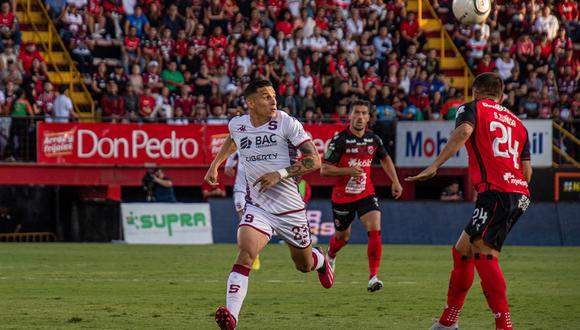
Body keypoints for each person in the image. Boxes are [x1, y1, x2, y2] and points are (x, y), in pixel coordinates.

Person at [406, 73, 532, 330]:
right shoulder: (519, 124)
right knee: (462, 251)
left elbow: (464, 131)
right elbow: (527, 171)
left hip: (496, 191)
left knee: (484, 255)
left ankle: (504, 326)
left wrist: (435, 165)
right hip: (518, 192)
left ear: (475, 92)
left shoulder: (471, 108)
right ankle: (447, 323)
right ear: (501, 96)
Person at [204, 80, 333, 330]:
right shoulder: (238, 124)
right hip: (258, 206)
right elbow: (233, 139)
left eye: (273, 95)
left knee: (303, 265)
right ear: (250, 103)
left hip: (290, 209)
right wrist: (215, 165)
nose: (273, 100)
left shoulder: (287, 122)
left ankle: (320, 260)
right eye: (265, 96)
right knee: (245, 253)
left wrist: (280, 174)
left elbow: (314, 160)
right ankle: (231, 316)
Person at [320, 100, 403, 292]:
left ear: (368, 117)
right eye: (356, 112)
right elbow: (324, 170)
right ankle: (331, 255)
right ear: (350, 116)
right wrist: (348, 170)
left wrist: (395, 181)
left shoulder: (373, 139)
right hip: (342, 196)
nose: (360, 117)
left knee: (375, 228)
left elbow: (385, 158)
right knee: (342, 238)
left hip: (366, 192)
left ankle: (373, 276)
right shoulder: (339, 140)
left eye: (364, 113)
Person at [225, 151, 261, 271]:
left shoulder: (263, 149)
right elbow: (228, 167)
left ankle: (254, 253)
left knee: (255, 223)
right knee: (243, 221)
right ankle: (249, 254)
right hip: (241, 191)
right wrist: (228, 168)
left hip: (256, 192)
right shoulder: (238, 150)